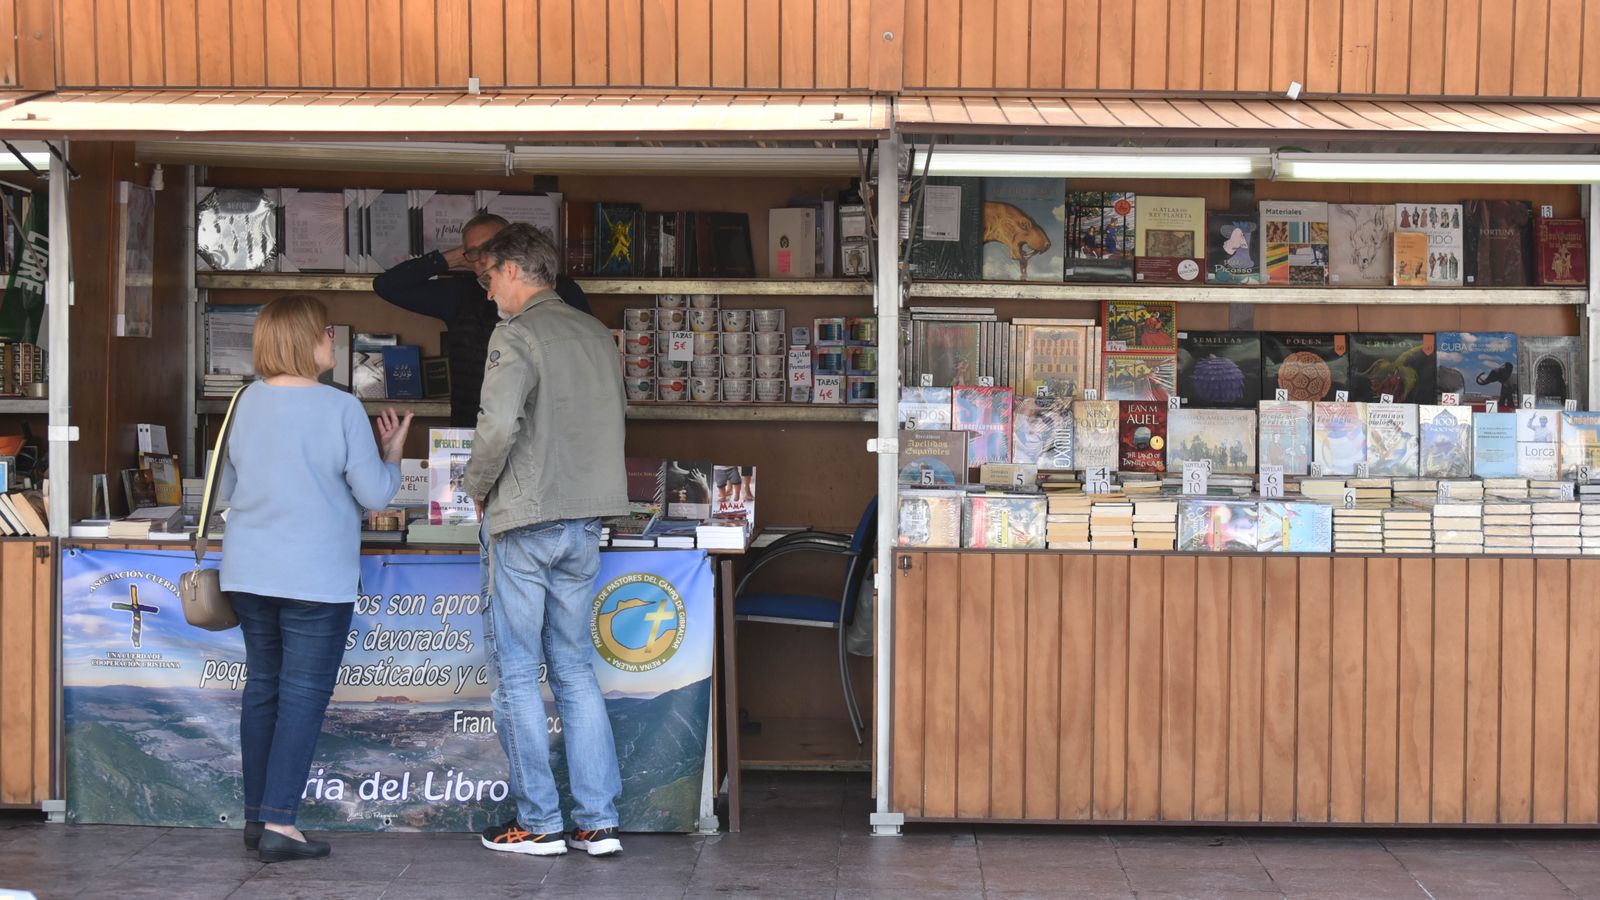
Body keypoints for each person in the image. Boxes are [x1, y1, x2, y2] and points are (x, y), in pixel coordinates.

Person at [218, 294, 412, 863]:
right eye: (325, 328)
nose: (334, 335)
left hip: (248, 571)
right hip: (314, 579)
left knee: (263, 690)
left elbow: (227, 491)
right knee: (301, 697)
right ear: (305, 339)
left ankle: (258, 819)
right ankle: (280, 823)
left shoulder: (243, 402)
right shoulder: (341, 407)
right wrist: (393, 453)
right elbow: (375, 495)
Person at [464, 223, 629, 858]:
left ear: (511, 271)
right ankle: (597, 821)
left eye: (489, 280)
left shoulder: (517, 334)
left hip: (528, 519)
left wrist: (477, 487)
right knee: (574, 668)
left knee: (515, 670)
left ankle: (539, 821)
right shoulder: (593, 332)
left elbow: (498, 423)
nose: (487, 296)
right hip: (588, 519)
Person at [372, 213, 594, 427]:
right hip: (470, 429)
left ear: (512, 244)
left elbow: (584, 359)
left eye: (489, 247)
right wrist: (455, 256)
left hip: (538, 432)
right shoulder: (459, 294)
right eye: (473, 252)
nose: (482, 258)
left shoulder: (558, 288)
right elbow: (387, 286)